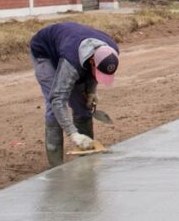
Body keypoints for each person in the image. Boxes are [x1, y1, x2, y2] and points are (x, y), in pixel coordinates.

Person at [30, 22, 120, 167]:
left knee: (82, 106)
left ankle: (87, 153)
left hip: (72, 49)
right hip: (45, 52)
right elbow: (57, 99)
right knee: (54, 107)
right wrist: (73, 134)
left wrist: (91, 92)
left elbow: (94, 73)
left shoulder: (111, 51)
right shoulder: (72, 63)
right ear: (91, 60)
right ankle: (56, 165)